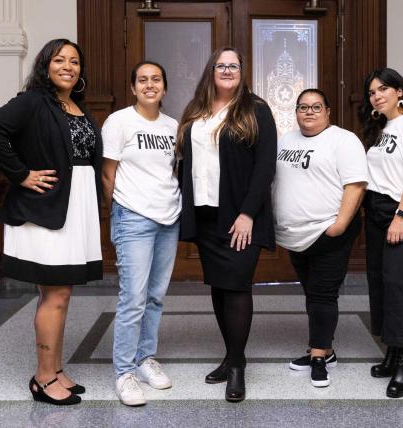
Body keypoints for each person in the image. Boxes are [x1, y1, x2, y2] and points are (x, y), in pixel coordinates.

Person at [0, 39, 103, 405]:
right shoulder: (33, 101)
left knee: (61, 293)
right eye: (60, 59)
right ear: (45, 66)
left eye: (75, 61)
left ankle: (56, 368)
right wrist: (20, 174)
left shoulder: (76, 105)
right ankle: (44, 377)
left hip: (73, 207)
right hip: (44, 208)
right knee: (56, 294)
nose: (68, 66)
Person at [177, 47, 277, 402]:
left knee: (236, 287)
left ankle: (236, 369)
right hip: (206, 215)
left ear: (242, 72)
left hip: (239, 217)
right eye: (221, 65)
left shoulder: (256, 110)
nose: (227, 70)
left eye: (233, 65)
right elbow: (183, 162)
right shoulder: (196, 111)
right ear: (211, 71)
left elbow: (265, 167)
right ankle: (232, 355)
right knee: (219, 287)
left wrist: (248, 213)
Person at [273, 89, 368, 388]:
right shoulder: (285, 141)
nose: (309, 112)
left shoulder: (344, 140)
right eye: (303, 107)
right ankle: (326, 349)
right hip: (296, 236)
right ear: (296, 112)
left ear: (328, 111)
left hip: (328, 232)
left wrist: (338, 226)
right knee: (313, 293)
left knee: (323, 294)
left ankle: (318, 358)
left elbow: (356, 185)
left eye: (316, 107)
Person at [101, 61, 181, 407]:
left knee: (156, 295)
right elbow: (108, 175)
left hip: (169, 219)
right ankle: (124, 372)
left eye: (156, 80)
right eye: (143, 80)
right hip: (133, 217)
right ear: (133, 88)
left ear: (164, 87)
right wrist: (119, 212)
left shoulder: (172, 126)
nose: (150, 85)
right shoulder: (119, 121)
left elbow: (172, 171)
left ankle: (146, 358)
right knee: (132, 298)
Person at [358, 68, 403, 398]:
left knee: (396, 281)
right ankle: (390, 351)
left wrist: (400, 216)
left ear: (399, 91)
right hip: (375, 211)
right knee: (378, 279)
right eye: (372, 92)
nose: (376, 95)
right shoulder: (383, 128)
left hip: (401, 211)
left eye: (383, 89)